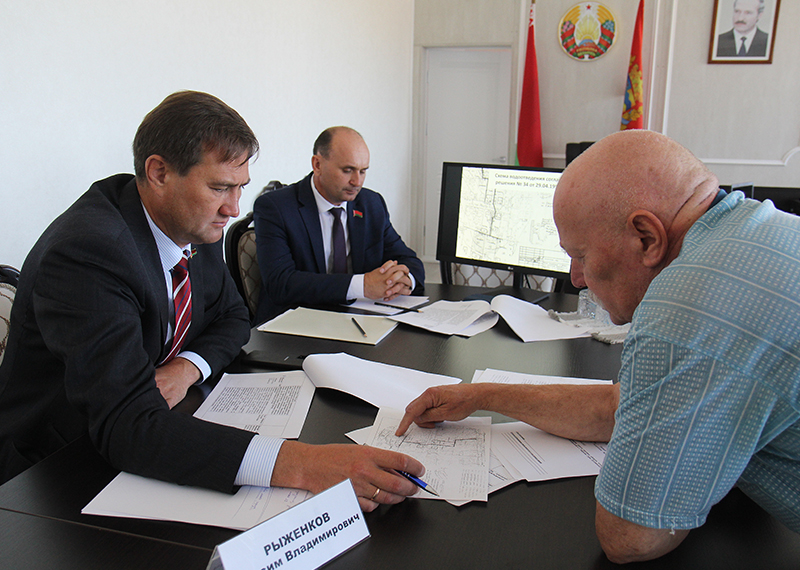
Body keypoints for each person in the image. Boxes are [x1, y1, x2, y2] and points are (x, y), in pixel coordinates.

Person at [0, 91, 424, 511]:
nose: (233, 209)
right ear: (159, 172)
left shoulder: (189, 222)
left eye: (240, 188)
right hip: (52, 473)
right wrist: (303, 464)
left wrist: (187, 368)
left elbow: (234, 315)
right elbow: (128, 424)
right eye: (220, 187)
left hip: (142, 431)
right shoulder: (90, 251)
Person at [397, 130, 800, 562]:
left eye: (582, 255)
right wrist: (480, 397)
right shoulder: (759, 229)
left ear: (646, 238)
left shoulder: (688, 304)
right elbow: (620, 406)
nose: (575, 278)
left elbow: (631, 537)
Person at [253, 126, 424, 323]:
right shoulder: (276, 207)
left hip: (359, 322)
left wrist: (402, 280)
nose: (357, 182)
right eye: (347, 170)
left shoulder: (371, 204)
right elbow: (281, 283)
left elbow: (408, 260)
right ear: (317, 164)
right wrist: (363, 285)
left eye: (363, 171)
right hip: (295, 323)